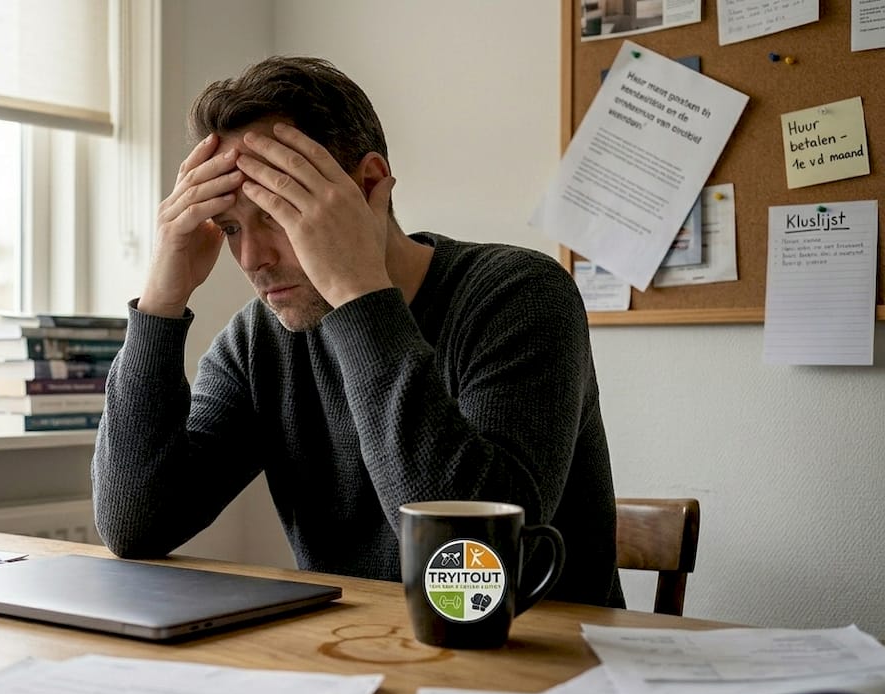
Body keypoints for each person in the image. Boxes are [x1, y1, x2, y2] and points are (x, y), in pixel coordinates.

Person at [91, 55, 625, 608]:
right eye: (230, 227)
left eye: (277, 214)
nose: (251, 258)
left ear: (369, 185)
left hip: (543, 668)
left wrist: (357, 292)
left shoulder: (520, 295)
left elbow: (471, 568)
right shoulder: (259, 341)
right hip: (357, 660)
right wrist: (160, 302)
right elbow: (135, 526)